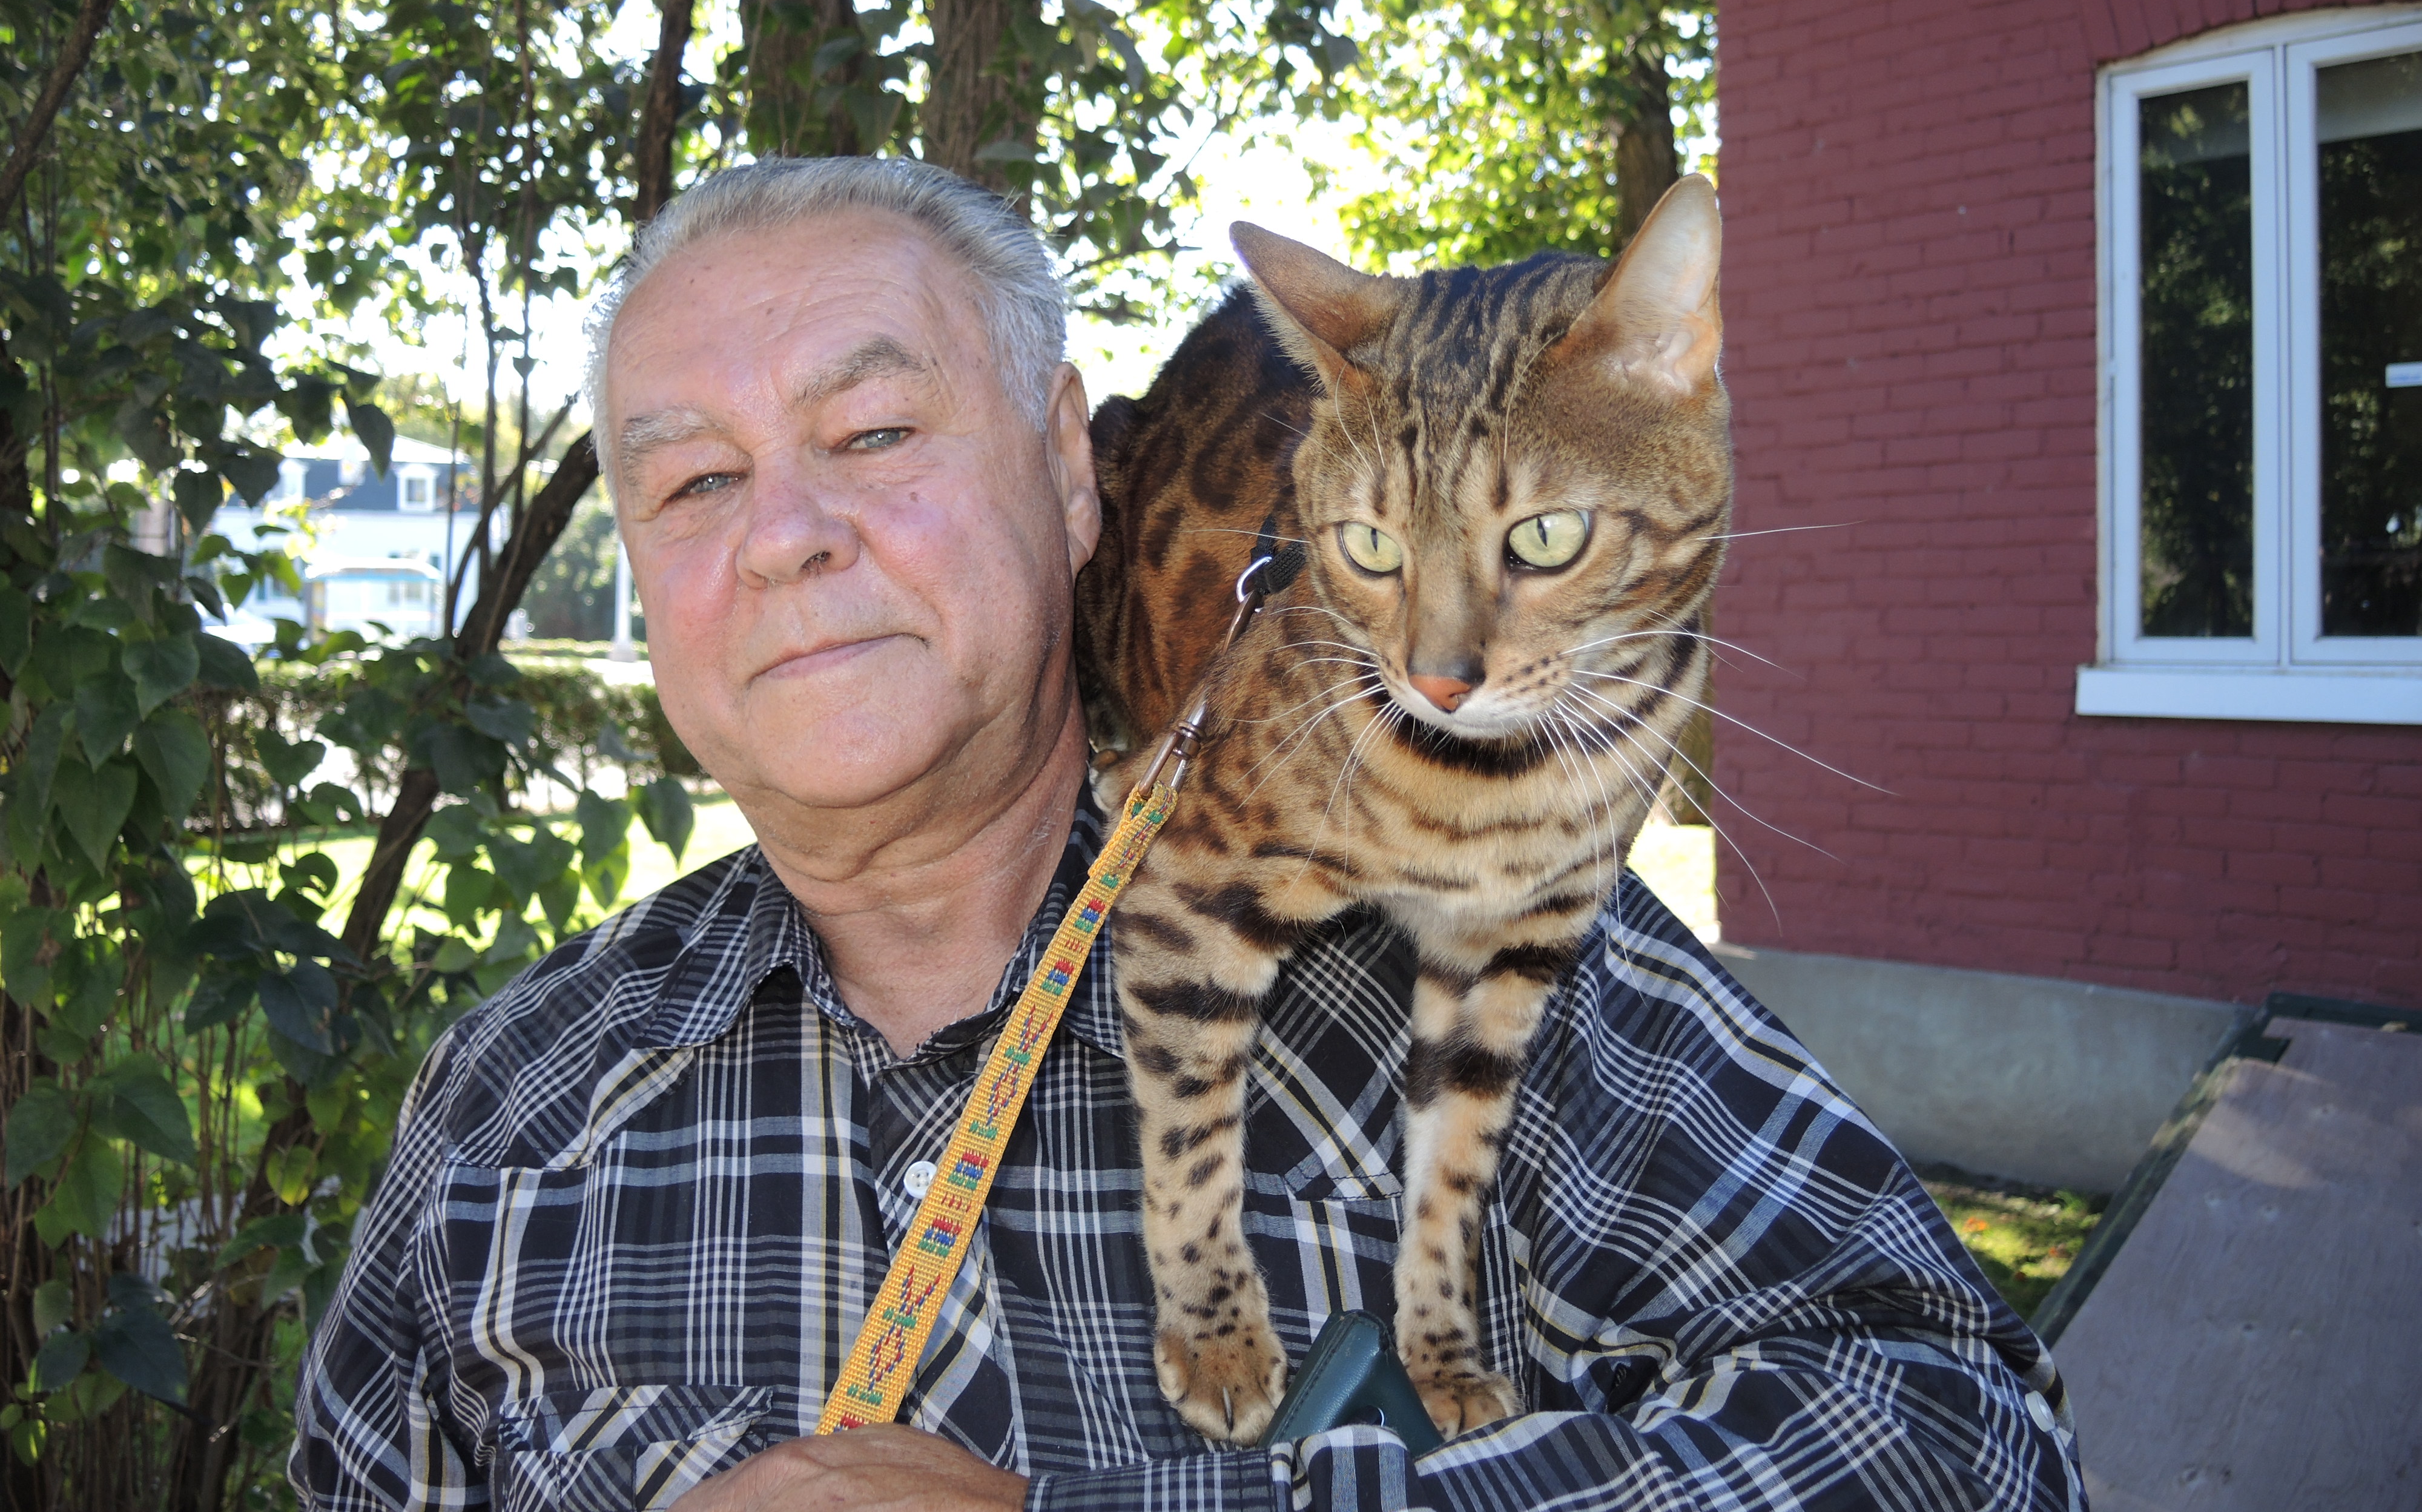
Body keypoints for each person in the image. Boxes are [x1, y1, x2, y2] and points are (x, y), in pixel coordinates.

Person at [291, 157, 2086, 1511]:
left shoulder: (1463, 940)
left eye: (874, 427)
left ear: (1071, 467)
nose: (784, 538)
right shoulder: (509, 1106)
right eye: (692, 480)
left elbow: (1966, 1441)